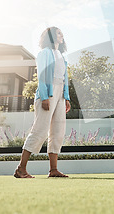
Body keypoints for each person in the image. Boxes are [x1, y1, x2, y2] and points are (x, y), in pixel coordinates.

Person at [14, 27, 71, 178]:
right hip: (48, 93)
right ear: (51, 36)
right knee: (40, 130)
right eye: (58, 33)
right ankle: (21, 168)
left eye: (61, 32)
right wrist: (45, 97)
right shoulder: (44, 53)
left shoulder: (62, 56)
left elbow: (65, 79)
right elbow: (41, 76)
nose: (61, 35)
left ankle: (53, 170)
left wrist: (66, 98)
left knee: (58, 132)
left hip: (60, 96)